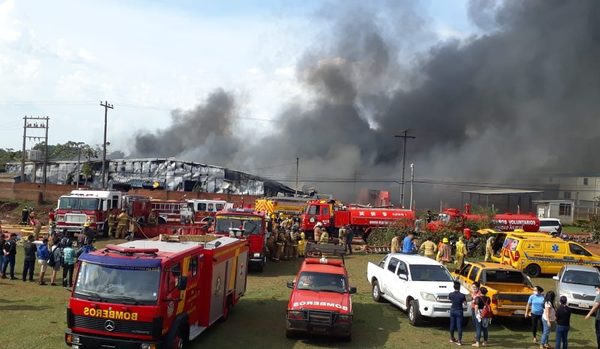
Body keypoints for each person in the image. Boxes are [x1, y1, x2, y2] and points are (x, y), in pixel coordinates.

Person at [449, 281, 467, 345]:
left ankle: (451, 338)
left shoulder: (451, 294)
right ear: (460, 287)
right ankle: (459, 340)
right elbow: (465, 303)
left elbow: (450, 299)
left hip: (452, 310)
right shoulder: (462, 295)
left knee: (452, 325)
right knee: (459, 326)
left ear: (454, 287)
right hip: (459, 311)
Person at [585, 284, 600, 349]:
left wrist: (589, 314)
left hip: (599, 319)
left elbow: (596, 305)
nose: (596, 291)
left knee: (598, 333)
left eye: (596, 289)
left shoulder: (599, 296)